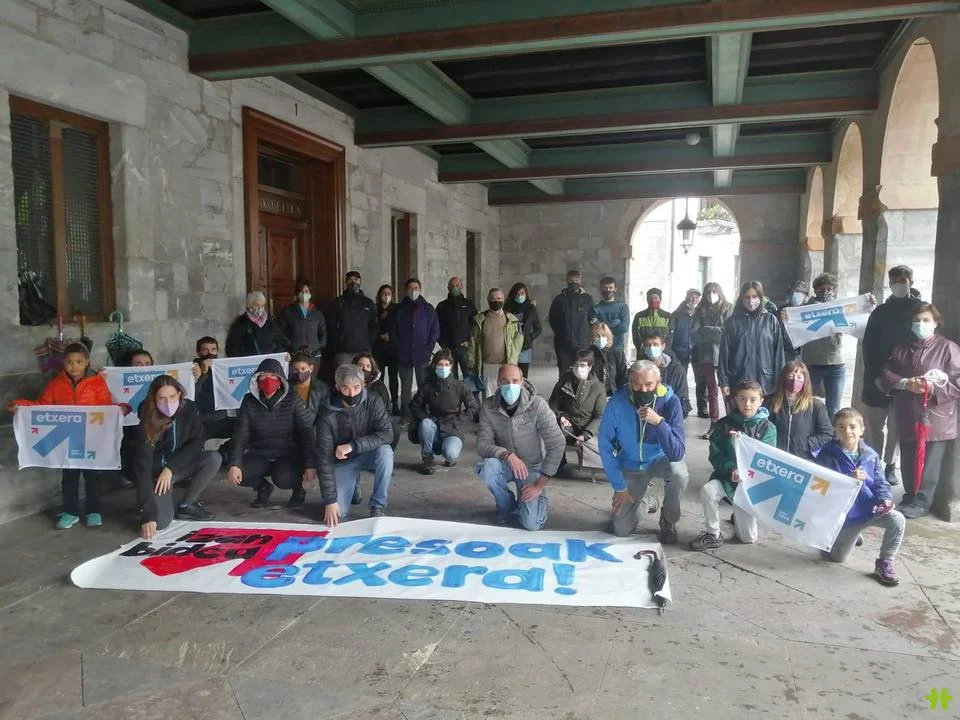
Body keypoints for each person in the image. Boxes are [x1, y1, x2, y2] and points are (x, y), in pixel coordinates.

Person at [8, 343, 117, 529]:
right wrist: (20, 405)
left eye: (79, 362)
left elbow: (107, 408)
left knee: (93, 477)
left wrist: (120, 410)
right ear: (63, 363)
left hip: (90, 438)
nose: (74, 366)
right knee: (69, 477)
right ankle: (70, 512)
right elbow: (42, 406)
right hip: (67, 442)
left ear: (87, 362)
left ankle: (93, 511)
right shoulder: (55, 384)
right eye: (69, 362)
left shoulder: (98, 383)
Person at [878, 303, 960, 519]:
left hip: (937, 417)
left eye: (926, 320)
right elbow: (885, 373)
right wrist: (905, 383)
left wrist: (932, 388)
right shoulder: (901, 348)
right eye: (916, 321)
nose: (920, 324)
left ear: (936, 323)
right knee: (908, 458)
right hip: (908, 413)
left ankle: (923, 501)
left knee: (929, 463)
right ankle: (910, 495)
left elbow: (958, 382)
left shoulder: (948, 348)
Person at [599, 360, 689, 542]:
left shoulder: (671, 402)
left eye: (648, 384)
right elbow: (604, 446)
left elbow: (677, 452)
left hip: (661, 458)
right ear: (629, 382)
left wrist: (659, 422)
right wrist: (619, 487)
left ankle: (668, 520)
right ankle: (647, 500)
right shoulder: (617, 403)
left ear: (658, 382)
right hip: (632, 463)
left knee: (679, 473)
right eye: (636, 384)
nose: (643, 390)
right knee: (621, 529)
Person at [815, 408, 905, 586]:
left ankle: (885, 561)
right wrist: (848, 479)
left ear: (861, 430)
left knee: (898, 519)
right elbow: (820, 486)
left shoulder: (871, 456)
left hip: (869, 508)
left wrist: (885, 499)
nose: (847, 431)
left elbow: (880, 482)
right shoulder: (826, 455)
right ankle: (846, 535)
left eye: (852, 427)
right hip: (845, 516)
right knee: (836, 558)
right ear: (835, 430)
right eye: (841, 427)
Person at [124, 375, 220, 540]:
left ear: (179, 394)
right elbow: (142, 468)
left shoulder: (190, 409)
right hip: (156, 474)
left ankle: (187, 504)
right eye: (162, 398)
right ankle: (145, 504)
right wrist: (148, 515)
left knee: (213, 458)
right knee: (160, 522)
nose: (168, 402)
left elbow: (197, 442)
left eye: (172, 396)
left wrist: (171, 469)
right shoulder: (147, 420)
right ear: (154, 399)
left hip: (176, 467)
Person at [689, 380, 776, 550]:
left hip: (749, 485)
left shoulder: (768, 428)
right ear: (735, 400)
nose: (747, 404)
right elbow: (716, 454)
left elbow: (766, 459)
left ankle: (738, 517)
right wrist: (731, 468)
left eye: (752, 399)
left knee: (748, 538)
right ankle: (713, 534)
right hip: (726, 478)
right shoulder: (724, 424)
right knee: (708, 491)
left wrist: (746, 472)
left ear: (761, 401)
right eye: (742, 399)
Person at [477, 364, 565, 530]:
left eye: (515, 381)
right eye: (505, 381)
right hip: (507, 463)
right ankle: (507, 507)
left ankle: (536, 504)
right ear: (498, 383)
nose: (510, 385)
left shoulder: (538, 405)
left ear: (522, 382)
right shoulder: (488, 407)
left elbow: (557, 443)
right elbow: (482, 444)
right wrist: (506, 455)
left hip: (532, 467)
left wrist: (539, 485)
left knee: (531, 524)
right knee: (489, 468)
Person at [861, 265, 925, 486]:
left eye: (904, 280)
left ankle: (890, 465)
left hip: (905, 380)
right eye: (895, 280)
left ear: (911, 282)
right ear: (889, 283)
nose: (899, 284)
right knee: (874, 427)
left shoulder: (920, 311)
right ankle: (873, 465)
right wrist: (874, 375)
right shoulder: (880, 312)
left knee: (896, 428)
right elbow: (868, 346)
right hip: (876, 379)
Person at [225, 358, 318, 508]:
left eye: (273, 376)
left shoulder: (293, 399)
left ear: (281, 381)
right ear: (257, 380)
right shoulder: (249, 401)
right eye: (263, 376)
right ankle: (263, 488)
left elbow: (307, 432)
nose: (268, 380)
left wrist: (310, 465)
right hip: (259, 452)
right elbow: (240, 435)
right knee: (238, 472)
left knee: (283, 478)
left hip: (288, 453)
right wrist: (234, 463)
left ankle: (298, 489)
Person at [314, 363, 395, 524]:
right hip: (343, 461)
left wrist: (353, 446)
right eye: (346, 388)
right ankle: (353, 485)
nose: (351, 394)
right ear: (337, 386)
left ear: (363, 385)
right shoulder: (326, 411)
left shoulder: (373, 401)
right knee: (339, 514)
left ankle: (378, 505)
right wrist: (330, 500)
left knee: (386, 452)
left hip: (369, 452)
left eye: (356, 387)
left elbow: (387, 433)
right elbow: (324, 457)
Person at [410, 349, 478, 475]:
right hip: (434, 426)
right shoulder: (427, 386)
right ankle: (427, 459)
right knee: (425, 424)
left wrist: (458, 421)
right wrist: (427, 417)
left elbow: (473, 407)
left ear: (451, 366)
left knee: (450, 454)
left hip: (452, 429)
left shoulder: (460, 386)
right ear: (435, 366)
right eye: (440, 364)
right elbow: (415, 406)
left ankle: (451, 455)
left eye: (446, 364)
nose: (443, 368)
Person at [718, 280, 785, 399]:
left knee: (763, 411)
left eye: (754, 296)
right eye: (747, 297)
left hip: (765, 382)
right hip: (738, 380)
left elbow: (778, 353)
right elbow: (724, 354)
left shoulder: (770, 321)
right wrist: (724, 382)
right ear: (741, 298)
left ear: (760, 297)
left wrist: (779, 380)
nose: (751, 300)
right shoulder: (732, 322)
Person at [390, 278, 440, 423]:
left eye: (416, 288)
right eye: (410, 288)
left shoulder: (428, 309)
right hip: (404, 355)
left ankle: (422, 413)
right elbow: (393, 331)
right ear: (406, 290)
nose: (413, 291)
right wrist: (398, 349)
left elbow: (435, 331)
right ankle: (406, 415)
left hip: (422, 355)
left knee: (423, 386)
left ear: (420, 289)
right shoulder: (399, 309)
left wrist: (428, 349)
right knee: (405, 388)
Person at [549, 349, 607, 470]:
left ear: (590, 367)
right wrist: (561, 416)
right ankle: (557, 462)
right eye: (576, 365)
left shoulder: (598, 388)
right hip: (567, 424)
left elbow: (600, 416)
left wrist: (586, 435)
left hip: (588, 427)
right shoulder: (564, 381)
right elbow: (553, 404)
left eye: (582, 365)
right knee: (552, 432)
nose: (578, 368)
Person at [799, 274, 847, 418]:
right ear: (815, 290)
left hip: (836, 363)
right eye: (822, 289)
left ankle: (832, 431)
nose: (825, 292)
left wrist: (868, 304)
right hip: (813, 363)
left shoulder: (840, 307)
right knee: (805, 403)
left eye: (829, 289)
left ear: (834, 290)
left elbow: (858, 315)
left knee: (834, 407)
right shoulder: (805, 309)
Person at [767, 361, 832, 458]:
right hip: (773, 457)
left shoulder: (816, 406)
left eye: (799, 377)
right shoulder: (769, 402)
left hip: (801, 459)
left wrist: (807, 444)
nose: (794, 380)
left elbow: (827, 434)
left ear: (805, 381)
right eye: (790, 376)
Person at [467, 288, 524, 397]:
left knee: (507, 394)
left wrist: (514, 353)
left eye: (499, 298)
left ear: (503, 300)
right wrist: (471, 363)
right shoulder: (479, 320)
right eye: (493, 298)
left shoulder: (511, 320)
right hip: (487, 365)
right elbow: (473, 343)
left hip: (506, 364)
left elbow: (519, 338)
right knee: (489, 397)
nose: (496, 301)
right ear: (488, 300)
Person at [691, 283, 733, 431]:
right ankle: (714, 423)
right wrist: (717, 333)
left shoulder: (728, 309)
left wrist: (708, 330)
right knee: (712, 391)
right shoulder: (700, 310)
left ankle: (731, 422)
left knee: (727, 389)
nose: (711, 295)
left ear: (719, 292)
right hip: (706, 356)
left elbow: (729, 333)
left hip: (725, 355)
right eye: (708, 292)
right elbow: (695, 334)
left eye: (714, 292)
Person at [548, 270, 596, 377]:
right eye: (571, 280)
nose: (574, 283)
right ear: (567, 281)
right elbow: (552, 319)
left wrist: (586, 336)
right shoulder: (559, 299)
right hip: (563, 344)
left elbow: (592, 319)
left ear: (580, 281)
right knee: (564, 371)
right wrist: (561, 333)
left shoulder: (587, 299)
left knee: (582, 372)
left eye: (576, 280)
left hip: (582, 344)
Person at [328, 271, 378, 369]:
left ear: (360, 282)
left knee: (363, 377)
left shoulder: (368, 303)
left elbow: (374, 325)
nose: (353, 282)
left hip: (363, 350)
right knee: (344, 377)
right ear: (346, 282)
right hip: (343, 351)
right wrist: (338, 342)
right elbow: (331, 325)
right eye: (350, 280)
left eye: (356, 279)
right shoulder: (338, 302)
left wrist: (368, 341)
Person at [192, 336, 233, 449]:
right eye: (205, 350)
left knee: (246, 427)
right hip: (201, 422)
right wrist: (203, 374)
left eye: (213, 349)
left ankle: (225, 451)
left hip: (221, 418)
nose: (209, 353)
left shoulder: (223, 369)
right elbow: (190, 397)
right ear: (198, 352)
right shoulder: (191, 370)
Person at [641, 330, 691, 417]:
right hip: (643, 416)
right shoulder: (639, 369)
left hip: (669, 417)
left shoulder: (677, 370)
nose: (651, 348)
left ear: (663, 346)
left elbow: (682, 399)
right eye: (648, 345)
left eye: (655, 344)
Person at [436, 276, 477, 379]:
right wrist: (442, 343)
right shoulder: (442, 306)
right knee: (451, 378)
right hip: (448, 349)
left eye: (457, 285)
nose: (455, 288)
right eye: (452, 286)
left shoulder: (469, 304)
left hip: (465, 348)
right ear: (448, 288)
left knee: (469, 378)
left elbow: (475, 325)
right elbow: (436, 326)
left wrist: (469, 341)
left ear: (461, 286)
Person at [276, 277, 327, 358]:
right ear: (297, 294)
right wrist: (290, 344)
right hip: (295, 354)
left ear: (310, 293)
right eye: (301, 291)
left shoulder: (318, 314)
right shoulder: (288, 312)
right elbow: (280, 332)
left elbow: (323, 334)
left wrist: (317, 348)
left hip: (314, 355)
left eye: (306, 291)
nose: (304, 294)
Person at [225, 291, 287, 357]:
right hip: (249, 361)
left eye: (262, 305)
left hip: (268, 360)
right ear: (250, 306)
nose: (260, 308)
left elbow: (279, 340)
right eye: (257, 305)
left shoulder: (269, 322)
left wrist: (277, 356)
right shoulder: (241, 323)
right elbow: (232, 347)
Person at [669, 288, 702, 411]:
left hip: (697, 351)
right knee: (681, 379)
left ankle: (702, 407)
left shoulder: (701, 313)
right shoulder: (677, 314)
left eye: (697, 297)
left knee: (700, 381)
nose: (694, 299)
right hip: (680, 351)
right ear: (687, 297)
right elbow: (671, 333)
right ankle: (682, 405)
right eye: (692, 296)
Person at [372, 284, 399, 414]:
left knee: (394, 378)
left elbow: (399, 328)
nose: (386, 296)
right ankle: (381, 404)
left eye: (389, 293)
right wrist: (379, 335)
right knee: (379, 378)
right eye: (384, 293)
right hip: (378, 349)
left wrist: (391, 336)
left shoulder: (396, 309)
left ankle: (395, 404)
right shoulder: (374, 309)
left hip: (393, 349)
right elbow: (370, 327)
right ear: (379, 295)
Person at [505, 282, 542, 378]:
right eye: (517, 294)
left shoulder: (531, 309)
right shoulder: (507, 308)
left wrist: (530, 337)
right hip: (510, 346)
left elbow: (538, 328)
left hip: (525, 347)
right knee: (510, 373)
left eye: (522, 293)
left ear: (526, 294)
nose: (520, 296)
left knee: (523, 375)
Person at [289, 350, 330, 426]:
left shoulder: (322, 388)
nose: (300, 372)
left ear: (311, 368)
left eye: (303, 369)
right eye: (296, 369)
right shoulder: (287, 387)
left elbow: (324, 415)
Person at [589, 322, 628, 397]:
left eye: (603, 335)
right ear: (593, 337)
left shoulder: (617, 352)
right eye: (597, 336)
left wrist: (620, 394)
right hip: (595, 395)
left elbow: (623, 374)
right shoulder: (589, 354)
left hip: (613, 393)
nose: (600, 338)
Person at [593, 276, 630, 352]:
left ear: (615, 289)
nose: (608, 290)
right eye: (605, 288)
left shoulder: (623, 307)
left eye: (611, 288)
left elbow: (624, 328)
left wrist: (604, 327)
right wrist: (613, 324)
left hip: (617, 349)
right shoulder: (595, 308)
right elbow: (595, 329)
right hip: (600, 349)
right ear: (600, 289)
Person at [631, 287, 671, 355]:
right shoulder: (639, 316)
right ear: (647, 300)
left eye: (656, 298)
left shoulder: (668, 316)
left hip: (662, 353)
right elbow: (635, 336)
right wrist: (642, 349)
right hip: (644, 353)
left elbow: (670, 337)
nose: (653, 301)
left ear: (660, 299)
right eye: (650, 298)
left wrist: (664, 350)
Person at [780, 280, 810, 363]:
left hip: (805, 356)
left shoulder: (809, 311)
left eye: (799, 292)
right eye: (793, 292)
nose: (795, 294)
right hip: (786, 354)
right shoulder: (781, 311)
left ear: (805, 296)